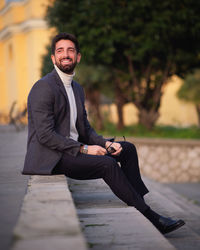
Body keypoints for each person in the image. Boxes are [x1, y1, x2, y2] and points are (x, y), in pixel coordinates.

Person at [22, 32, 185, 234]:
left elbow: (84, 129)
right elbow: (45, 135)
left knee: (126, 149)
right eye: (60, 51)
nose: (66, 54)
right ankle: (152, 217)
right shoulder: (43, 88)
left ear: (78, 57)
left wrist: (106, 144)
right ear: (53, 58)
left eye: (70, 50)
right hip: (53, 158)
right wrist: (84, 148)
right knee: (107, 164)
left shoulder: (77, 88)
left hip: (73, 151)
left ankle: (138, 202)